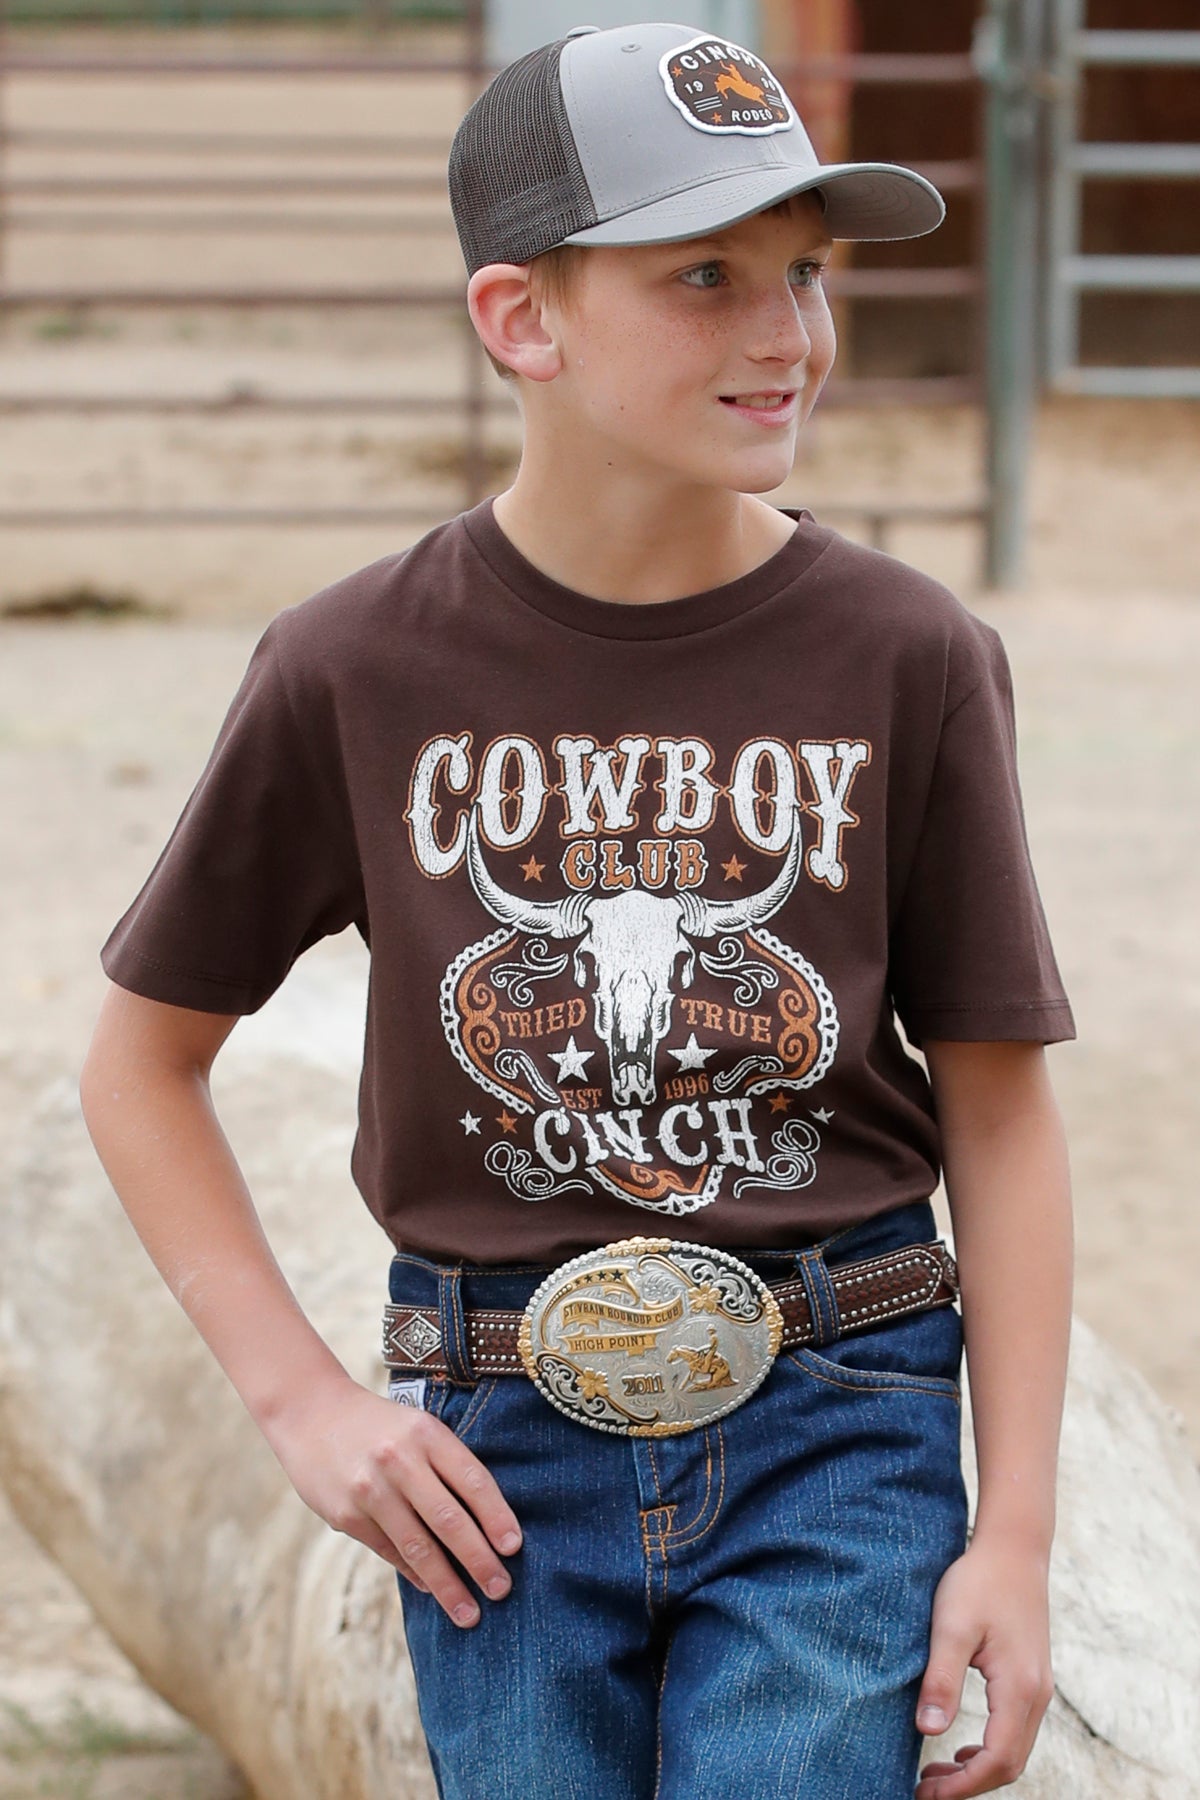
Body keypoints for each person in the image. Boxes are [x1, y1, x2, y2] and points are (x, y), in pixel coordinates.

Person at [79, 19, 1075, 1800]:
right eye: (707, 277)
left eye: (804, 272)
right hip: (495, 1448)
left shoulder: (912, 656)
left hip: (843, 1416)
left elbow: (1000, 1110)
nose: (787, 334)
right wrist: (307, 1405)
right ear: (521, 318)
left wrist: (1014, 1539)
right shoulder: (352, 669)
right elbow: (140, 1066)